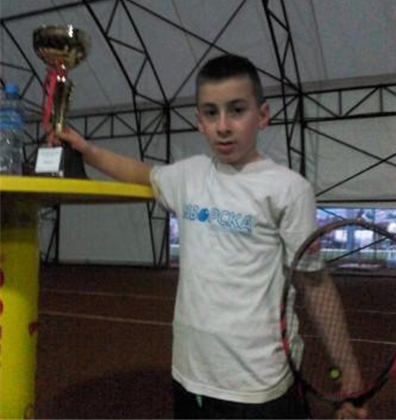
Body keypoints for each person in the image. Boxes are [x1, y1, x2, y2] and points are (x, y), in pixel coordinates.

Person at [47, 54, 368, 420]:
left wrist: (350, 375)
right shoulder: (189, 176)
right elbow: (143, 174)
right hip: (190, 380)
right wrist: (88, 151)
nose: (223, 126)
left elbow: (315, 285)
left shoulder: (289, 189)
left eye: (237, 110)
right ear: (199, 121)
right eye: (211, 113)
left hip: (261, 387)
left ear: (263, 115)